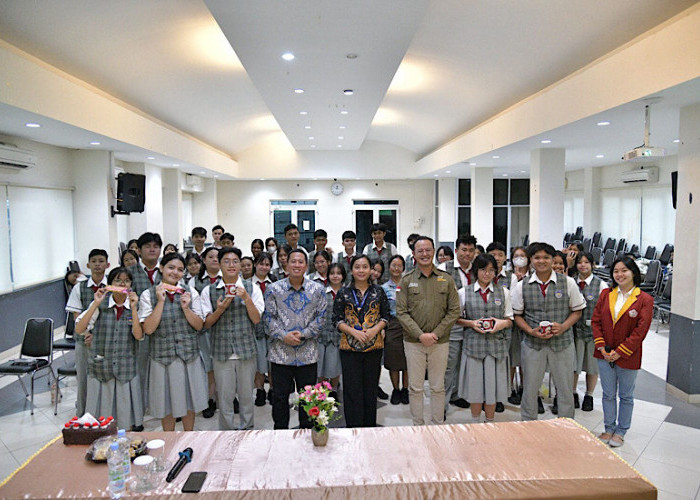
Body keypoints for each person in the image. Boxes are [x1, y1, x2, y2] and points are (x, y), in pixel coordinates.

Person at [510, 242, 585, 421]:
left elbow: (578, 310)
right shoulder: (522, 285)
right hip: (533, 344)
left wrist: (564, 326)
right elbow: (517, 315)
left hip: (562, 344)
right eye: (537, 257)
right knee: (530, 388)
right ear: (530, 260)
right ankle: (528, 424)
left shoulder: (568, 282)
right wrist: (530, 331)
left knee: (565, 388)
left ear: (553, 260)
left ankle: (567, 426)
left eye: (546, 257)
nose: (541, 261)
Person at [139, 252, 207, 432]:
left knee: (189, 400)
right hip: (162, 357)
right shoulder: (148, 294)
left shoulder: (190, 292)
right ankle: (168, 439)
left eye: (180, 270)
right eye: (171, 268)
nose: (175, 273)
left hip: (188, 355)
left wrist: (186, 309)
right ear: (161, 268)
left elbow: (199, 325)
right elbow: (148, 329)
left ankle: (188, 436)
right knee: (165, 402)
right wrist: (160, 302)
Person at [397, 236, 461, 426]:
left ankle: (437, 424)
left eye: (428, 250)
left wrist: (435, 334)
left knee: (437, 387)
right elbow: (401, 312)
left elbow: (454, 310)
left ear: (433, 251)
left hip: (439, 342)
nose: (424, 254)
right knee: (415, 387)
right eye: (420, 251)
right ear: (414, 254)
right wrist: (420, 335)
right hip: (413, 342)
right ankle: (418, 425)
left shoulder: (446, 279)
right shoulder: (406, 281)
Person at [592, 256, 653, 448]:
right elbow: (596, 321)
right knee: (608, 394)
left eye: (624, 270)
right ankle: (609, 428)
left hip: (628, 355)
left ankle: (621, 431)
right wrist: (602, 347)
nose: (620, 274)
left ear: (633, 272)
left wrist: (620, 352)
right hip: (604, 353)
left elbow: (640, 331)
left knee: (626, 395)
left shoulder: (644, 299)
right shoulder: (606, 294)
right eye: (616, 271)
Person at [201, 247, 264, 430]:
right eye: (226, 261)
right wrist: (220, 309)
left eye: (235, 261)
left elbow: (256, 319)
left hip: (246, 351)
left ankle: (247, 429)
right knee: (225, 398)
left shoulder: (252, 288)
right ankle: (226, 433)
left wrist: (246, 298)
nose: (231, 265)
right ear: (219, 264)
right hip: (222, 352)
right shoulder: (209, 291)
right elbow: (207, 323)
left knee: (246, 396)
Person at [263, 249, 327, 429]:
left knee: (307, 399)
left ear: (306, 266)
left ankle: (306, 434)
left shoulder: (318, 290)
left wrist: (304, 334)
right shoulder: (273, 289)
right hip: (280, 354)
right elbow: (268, 317)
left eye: (301, 262)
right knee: (280, 397)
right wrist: (284, 336)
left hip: (307, 354)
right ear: (286, 264)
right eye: (293, 261)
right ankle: (280, 434)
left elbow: (321, 318)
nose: (297, 265)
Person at [75, 267, 143, 430]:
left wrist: (133, 308)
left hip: (125, 367)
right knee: (101, 418)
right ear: (110, 283)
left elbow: (139, 336)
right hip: (101, 366)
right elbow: (79, 329)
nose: (122, 284)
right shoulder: (100, 303)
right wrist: (95, 304)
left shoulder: (135, 305)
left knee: (125, 418)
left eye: (126, 280)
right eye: (118, 280)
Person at [333, 255, 390, 427]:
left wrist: (374, 330)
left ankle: (369, 428)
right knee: (351, 390)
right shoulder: (343, 292)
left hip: (374, 348)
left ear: (371, 270)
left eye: (365, 267)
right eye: (357, 267)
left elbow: (386, 316)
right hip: (349, 349)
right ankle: (353, 428)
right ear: (351, 270)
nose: (361, 270)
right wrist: (353, 332)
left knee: (370, 389)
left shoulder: (378, 291)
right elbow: (336, 319)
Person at [456, 254, 513, 423]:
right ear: (476, 271)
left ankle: (489, 421)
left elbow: (510, 320)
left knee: (492, 389)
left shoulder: (504, 292)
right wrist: (472, 323)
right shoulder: (463, 292)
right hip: (474, 347)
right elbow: (456, 319)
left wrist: (500, 324)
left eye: (491, 270)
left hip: (496, 348)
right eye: (482, 270)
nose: (486, 274)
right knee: (475, 389)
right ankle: (475, 422)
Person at [65, 249, 110, 417]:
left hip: (106, 340)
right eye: (94, 261)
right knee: (83, 378)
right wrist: (86, 334)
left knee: (105, 378)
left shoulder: (112, 286)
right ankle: (83, 414)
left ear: (108, 264)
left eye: (101, 261)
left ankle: (104, 414)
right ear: (88, 265)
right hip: (84, 341)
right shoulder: (80, 288)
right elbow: (76, 316)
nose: (98, 264)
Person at [438, 235, 477, 412]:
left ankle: (456, 395)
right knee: (448, 366)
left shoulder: (478, 269)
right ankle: (442, 406)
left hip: (473, 325)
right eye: (464, 250)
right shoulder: (443, 269)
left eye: (471, 250)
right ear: (456, 251)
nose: (467, 254)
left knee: (465, 364)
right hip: (451, 325)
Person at [189, 246, 221, 419]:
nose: (214, 259)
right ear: (204, 260)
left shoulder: (230, 278)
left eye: (217, 257)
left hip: (225, 329)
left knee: (227, 365)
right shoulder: (195, 281)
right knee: (209, 366)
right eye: (210, 256)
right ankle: (210, 399)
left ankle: (231, 398)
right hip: (205, 330)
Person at [573, 252, 608, 412]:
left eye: (587, 262)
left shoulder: (601, 285)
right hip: (574, 331)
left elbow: (606, 311)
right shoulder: (570, 282)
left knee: (592, 366)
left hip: (594, 332)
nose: (583, 265)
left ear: (593, 265)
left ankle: (589, 395)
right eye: (580, 262)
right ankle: (572, 393)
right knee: (574, 365)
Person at [382, 255, 409, 405]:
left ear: (403, 268)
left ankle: (405, 390)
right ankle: (396, 390)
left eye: (399, 265)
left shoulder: (409, 284)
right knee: (393, 360)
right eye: (394, 265)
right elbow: (383, 309)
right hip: (392, 325)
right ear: (389, 267)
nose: (396, 268)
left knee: (407, 360)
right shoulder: (384, 288)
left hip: (408, 326)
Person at [252, 252, 277, 406]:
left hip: (273, 329)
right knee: (259, 362)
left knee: (273, 363)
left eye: (267, 264)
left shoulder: (276, 283)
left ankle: (273, 390)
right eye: (261, 263)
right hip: (255, 329)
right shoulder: (247, 284)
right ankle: (260, 390)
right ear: (255, 264)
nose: (264, 267)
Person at [507, 245, 530, 406]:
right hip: (513, 322)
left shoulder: (534, 275)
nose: (520, 258)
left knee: (526, 359)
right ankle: (510, 389)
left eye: (523, 255)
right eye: (517, 255)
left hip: (529, 322)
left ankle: (525, 388)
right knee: (513, 357)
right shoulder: (509, 276)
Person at [318, 263, 344, 398]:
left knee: (335, 363)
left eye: (338, 273)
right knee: (321, 363)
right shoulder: (322, 292)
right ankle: (322, 389)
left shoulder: (346, 293)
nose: (335, 276)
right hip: (321, 335)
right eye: (332, 273)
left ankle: (333, 388)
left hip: (339, 335)